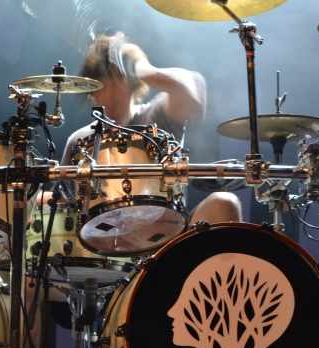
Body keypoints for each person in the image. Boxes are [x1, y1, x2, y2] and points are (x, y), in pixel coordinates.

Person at [61, 32, 242, 224]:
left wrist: (136, 66)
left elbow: (190, 92)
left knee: (225, 203)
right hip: (102, 235)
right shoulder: (80, 141)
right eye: (100, 93)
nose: (108, 101)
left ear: (133, 86)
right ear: (90, 94)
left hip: (169, 233)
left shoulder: (155, 118)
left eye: (115, 94)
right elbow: (64, 203)